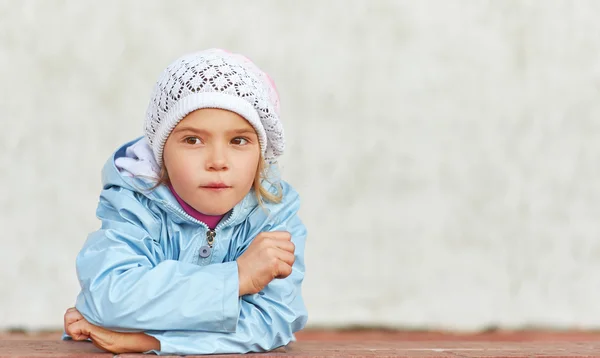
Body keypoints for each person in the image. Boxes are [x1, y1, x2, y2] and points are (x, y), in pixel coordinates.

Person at [62, 49, 308, 355]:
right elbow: (110, 298)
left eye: (238, 141)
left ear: (261, 151)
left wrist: (149, 341)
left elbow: (272, 322)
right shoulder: (135, 205)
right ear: (161, 150)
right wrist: (236, 280)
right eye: (193, 140)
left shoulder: (273, 217)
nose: (218, 161)